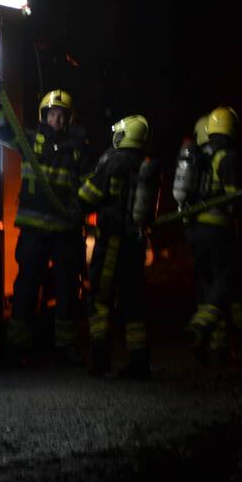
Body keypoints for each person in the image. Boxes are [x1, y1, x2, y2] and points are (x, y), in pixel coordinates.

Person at [0, 81, 89, 365]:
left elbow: (88, 185)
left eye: (61, 115)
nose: (57, 120)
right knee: (26, 289)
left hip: (66, 232)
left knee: (68, 290)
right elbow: (2, 131)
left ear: (69, 119)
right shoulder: (30, 140)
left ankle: (66, 347)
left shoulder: (78, 149)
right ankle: (18, 347)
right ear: (44, 116)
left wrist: (79, 210)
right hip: (34, 231)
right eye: (52, 114)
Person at [77, 115, 160, 379]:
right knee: (133, 300)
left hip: (111, 241)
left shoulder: (113, 162)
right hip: (134, 242)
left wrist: (74, 203)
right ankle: (139, 362)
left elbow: (89, 195)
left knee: (100, 299)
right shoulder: (143, 164)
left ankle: (100, 359)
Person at [181, 106, 242, 364]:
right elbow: (234, 199)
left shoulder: (201, 154)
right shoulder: (227, 157)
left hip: (195, 230)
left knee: (206, 285)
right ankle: (200, 325)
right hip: (218, 230)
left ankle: (215, 347)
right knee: (224, 281)